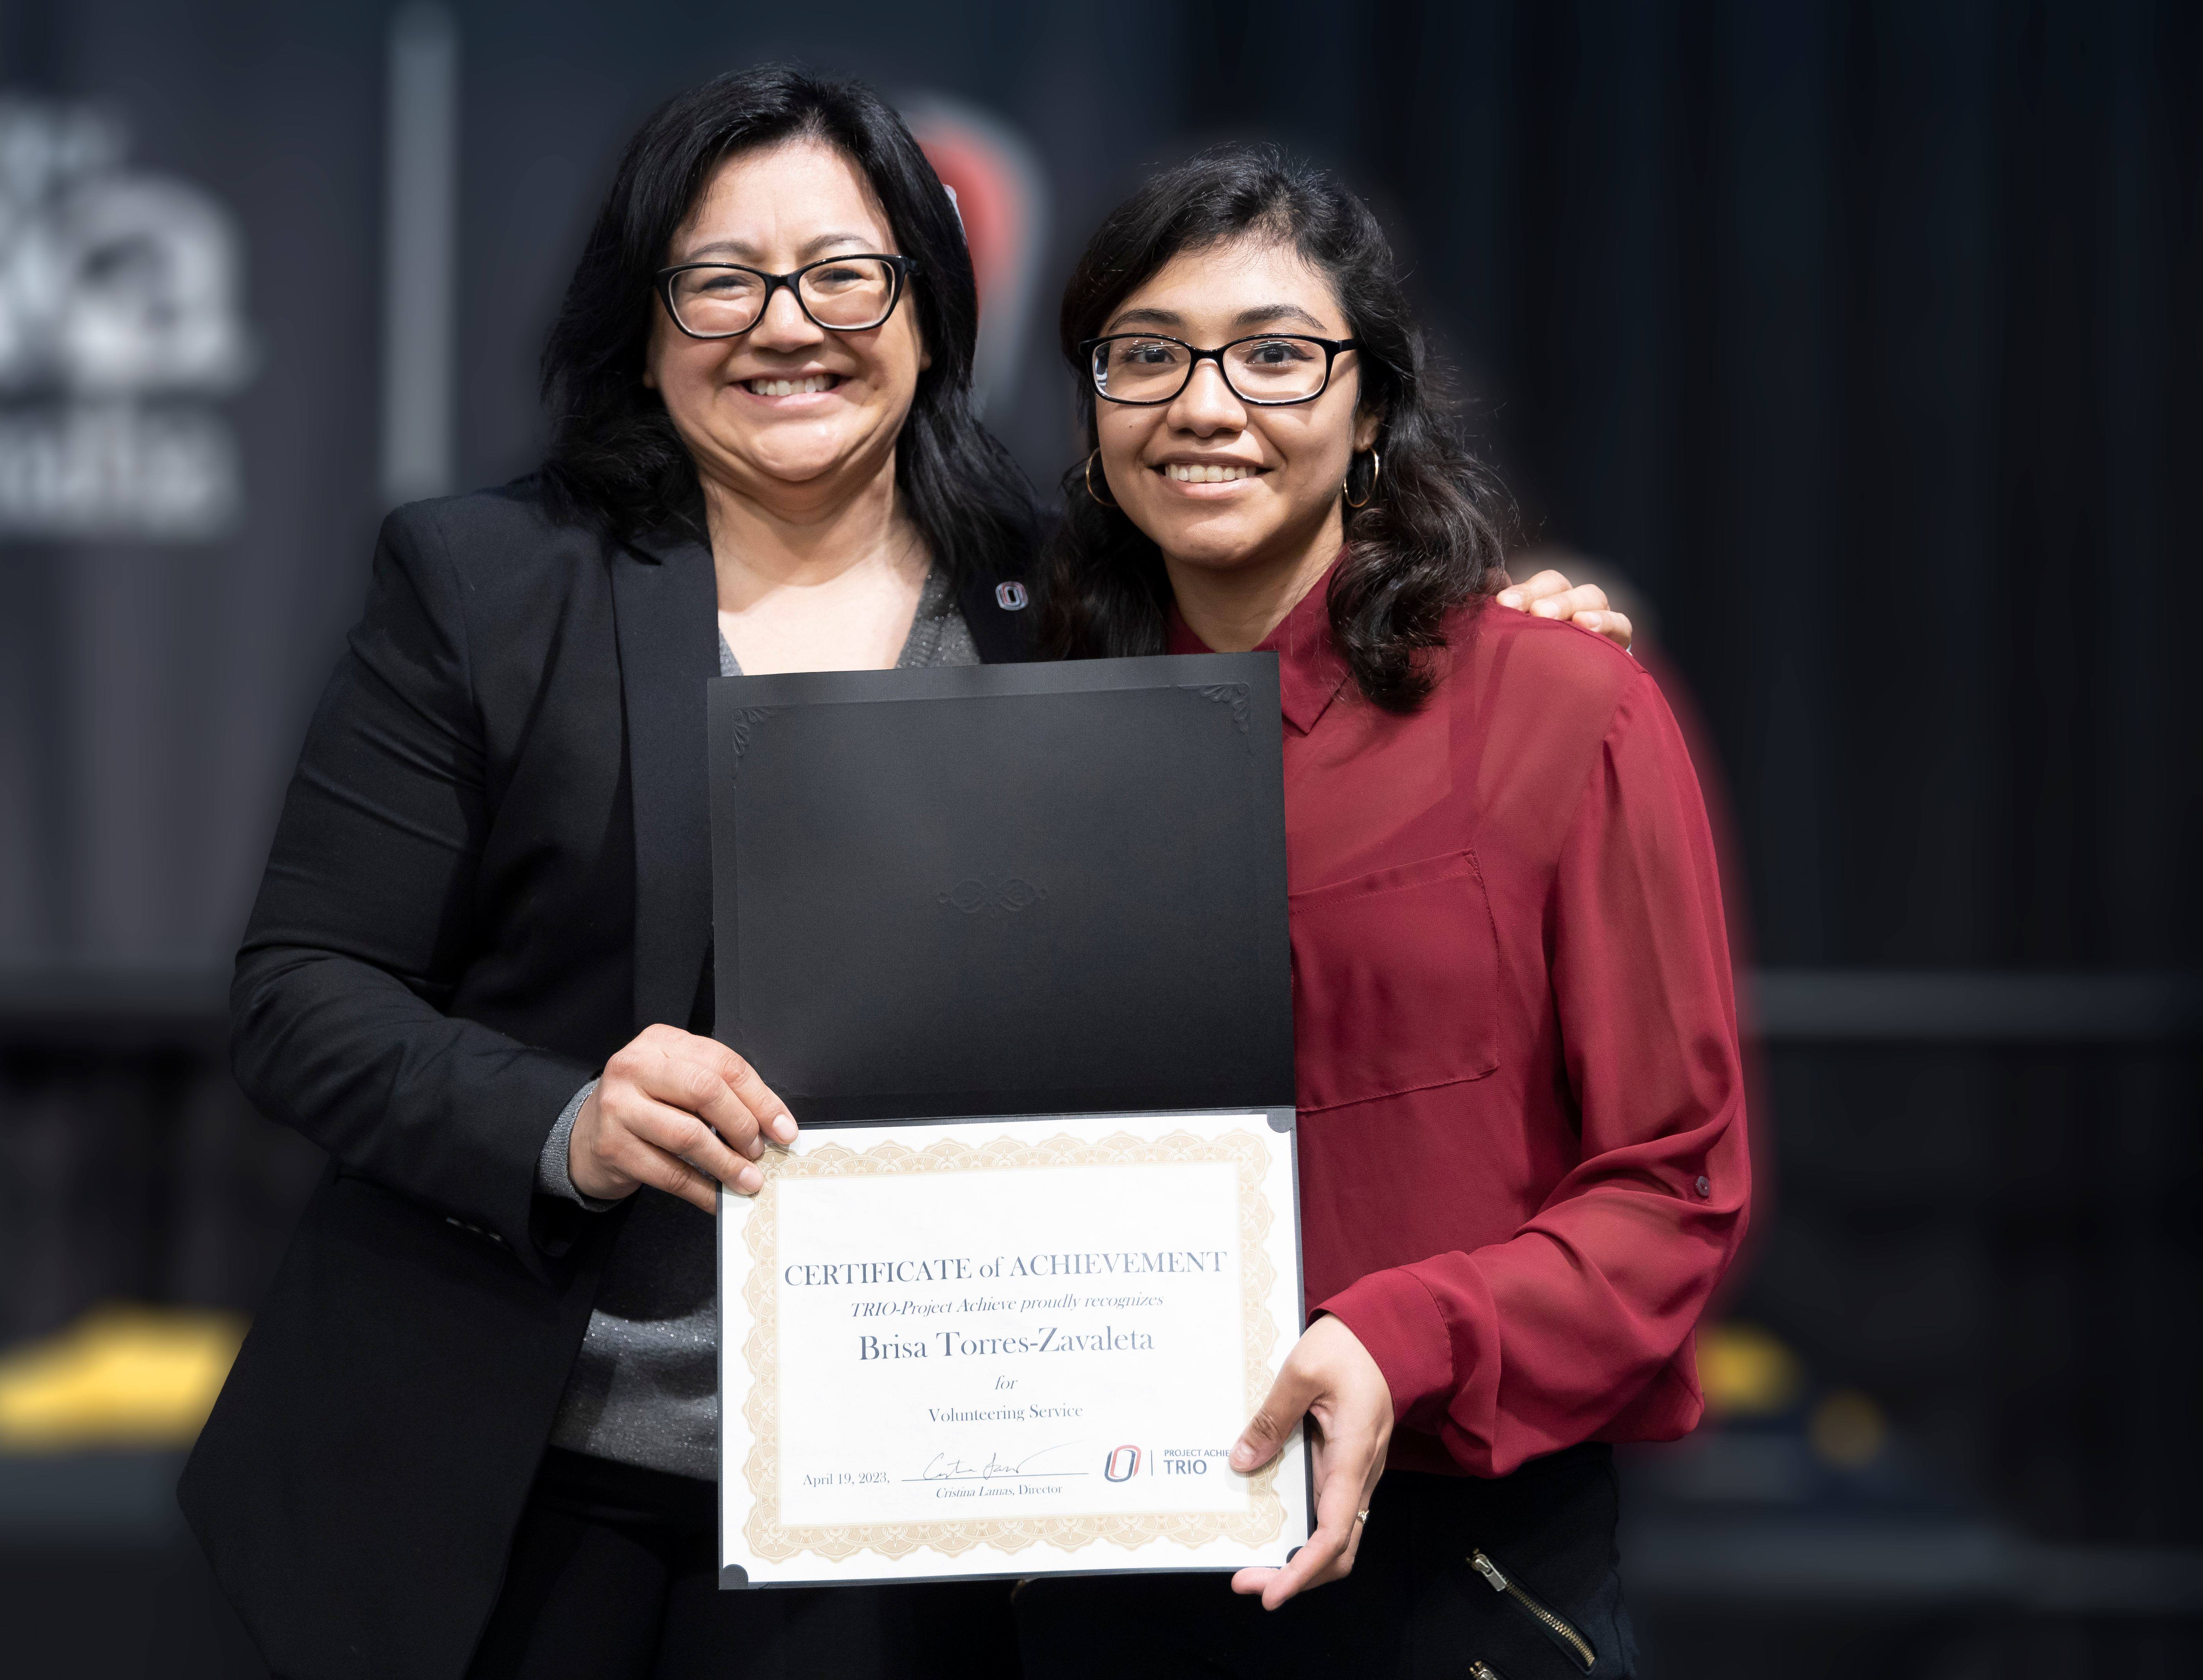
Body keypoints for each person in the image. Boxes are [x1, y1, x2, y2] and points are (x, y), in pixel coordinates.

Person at [180, 68, 1636, 1680]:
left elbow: (1311, 643)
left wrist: (1513, 637)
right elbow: (301, 994)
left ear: (933, 311)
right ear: (646, 323)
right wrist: (563, 1122)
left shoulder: (1076, 597)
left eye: (844, 273)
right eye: (721, 278)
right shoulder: (488, 585)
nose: (784, 323)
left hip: (911, 1516)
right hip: (519, 1488)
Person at [1015, 147, 1748, 1678]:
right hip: (1074, 1555)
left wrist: (1400, 1337)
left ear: (1371, 408)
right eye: (1146, 356)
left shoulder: (1563, 709)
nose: (1205, 405)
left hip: (1454, 1568)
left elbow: (1674, 1193)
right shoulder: (1001, 737)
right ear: (1090, 404)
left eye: (1277, 356)